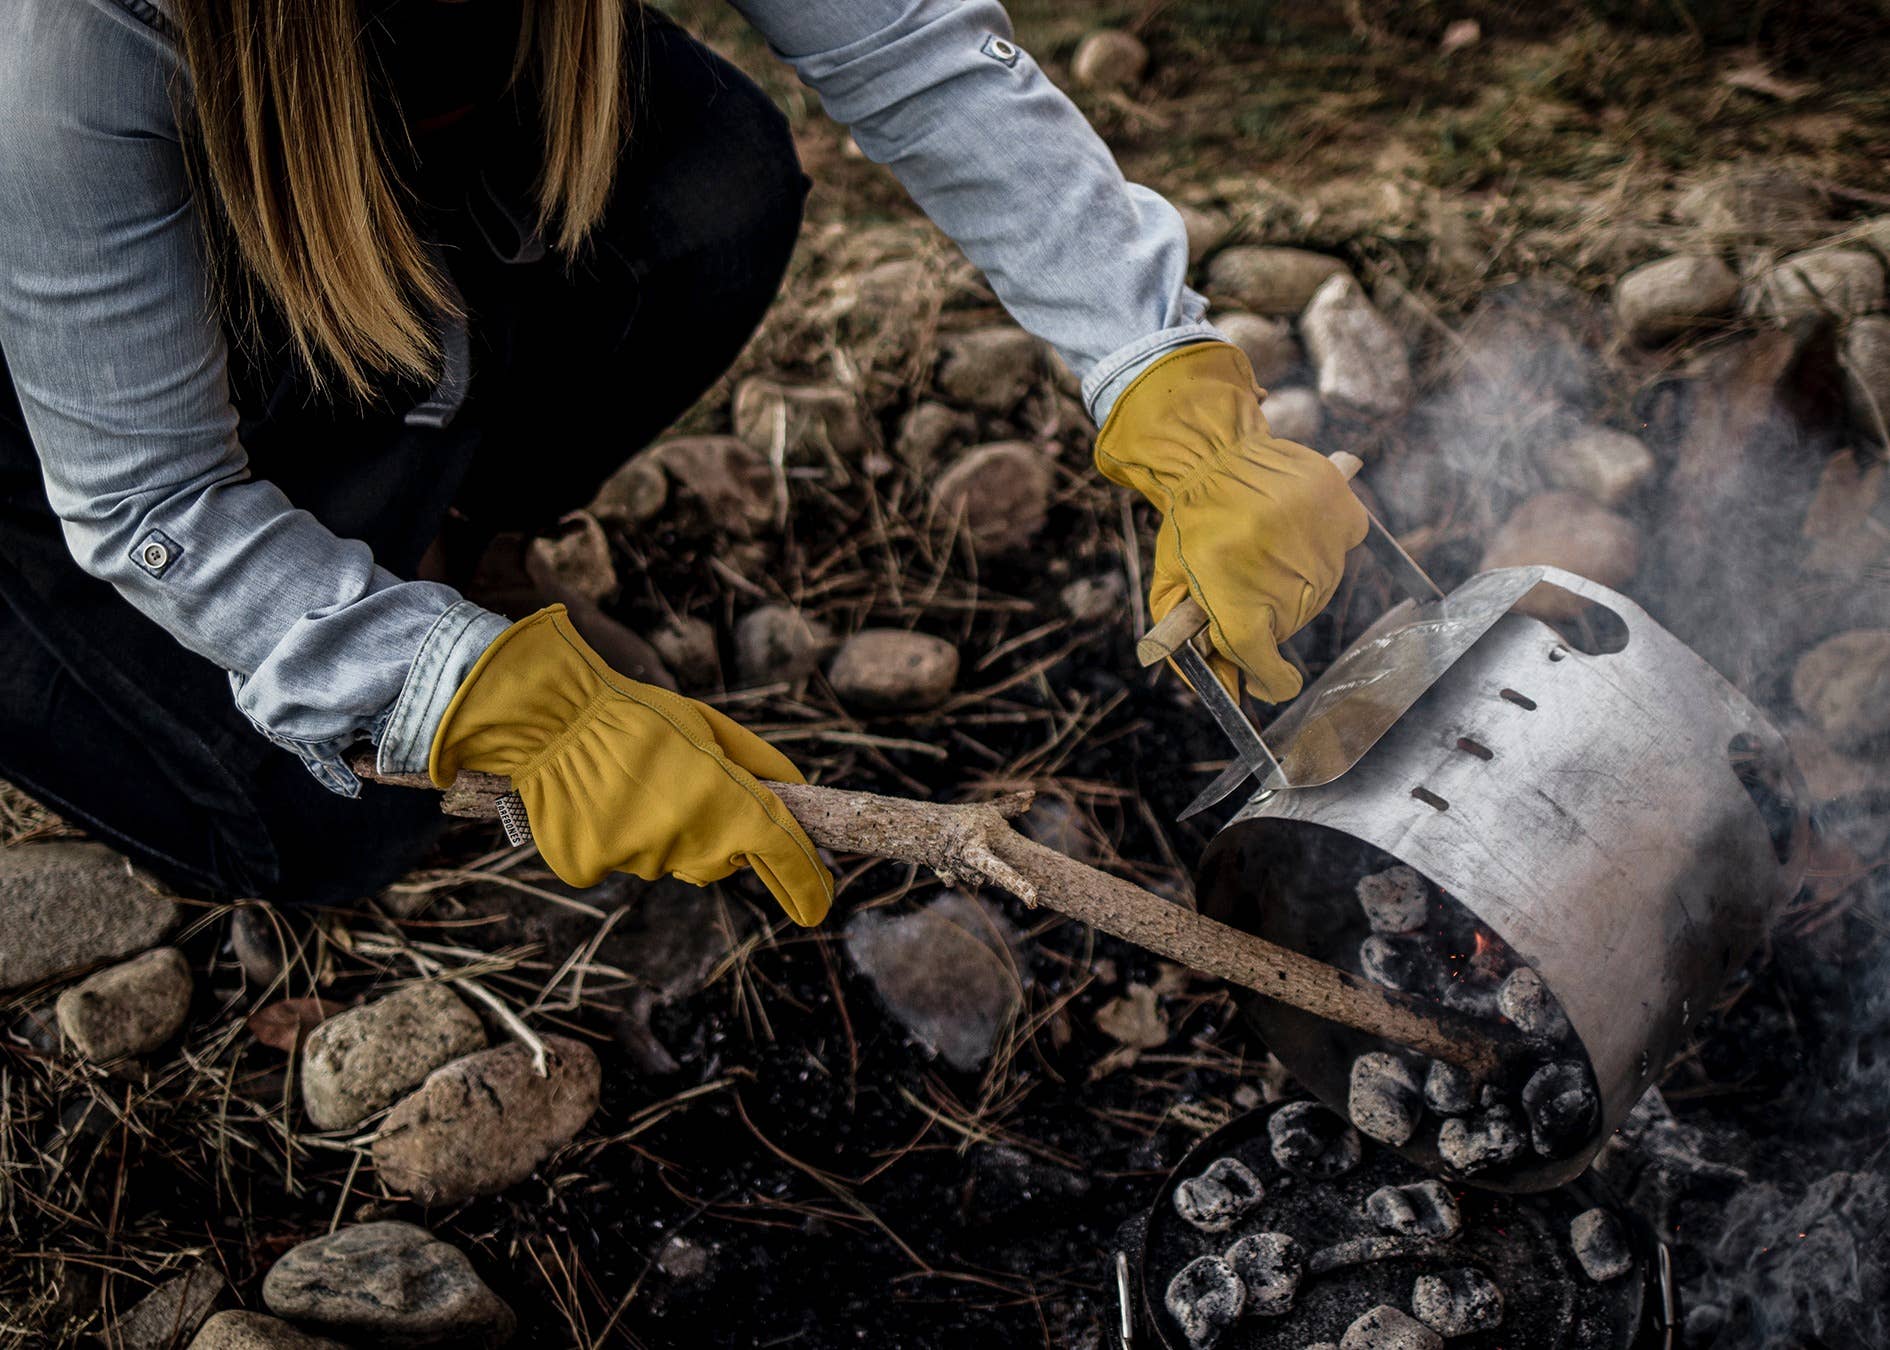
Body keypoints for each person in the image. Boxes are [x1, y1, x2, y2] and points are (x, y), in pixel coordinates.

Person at [0, 0, 1365, 915]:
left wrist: (1164, 372)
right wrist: (434, 689)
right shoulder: (71, 39)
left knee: (704, 176)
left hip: (340, 177)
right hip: (43, 420)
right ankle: (373, 603)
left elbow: (910, 49)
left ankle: (453, 540)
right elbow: (144, 491)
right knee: (330, 827)